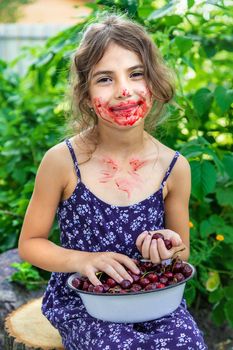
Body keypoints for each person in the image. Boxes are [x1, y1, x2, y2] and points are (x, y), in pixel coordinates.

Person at [18, 14, 207, 350]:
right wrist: (83, 260)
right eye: (105, 78)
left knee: (189, 341)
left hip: (154, 300)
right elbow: (31, 242)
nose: (124, 90)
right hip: (85, 302)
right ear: (87, 94)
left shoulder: (174, 166)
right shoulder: (63, 161)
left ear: (154, 81)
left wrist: (167, 246)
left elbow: (182, 251)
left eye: (136, 74)